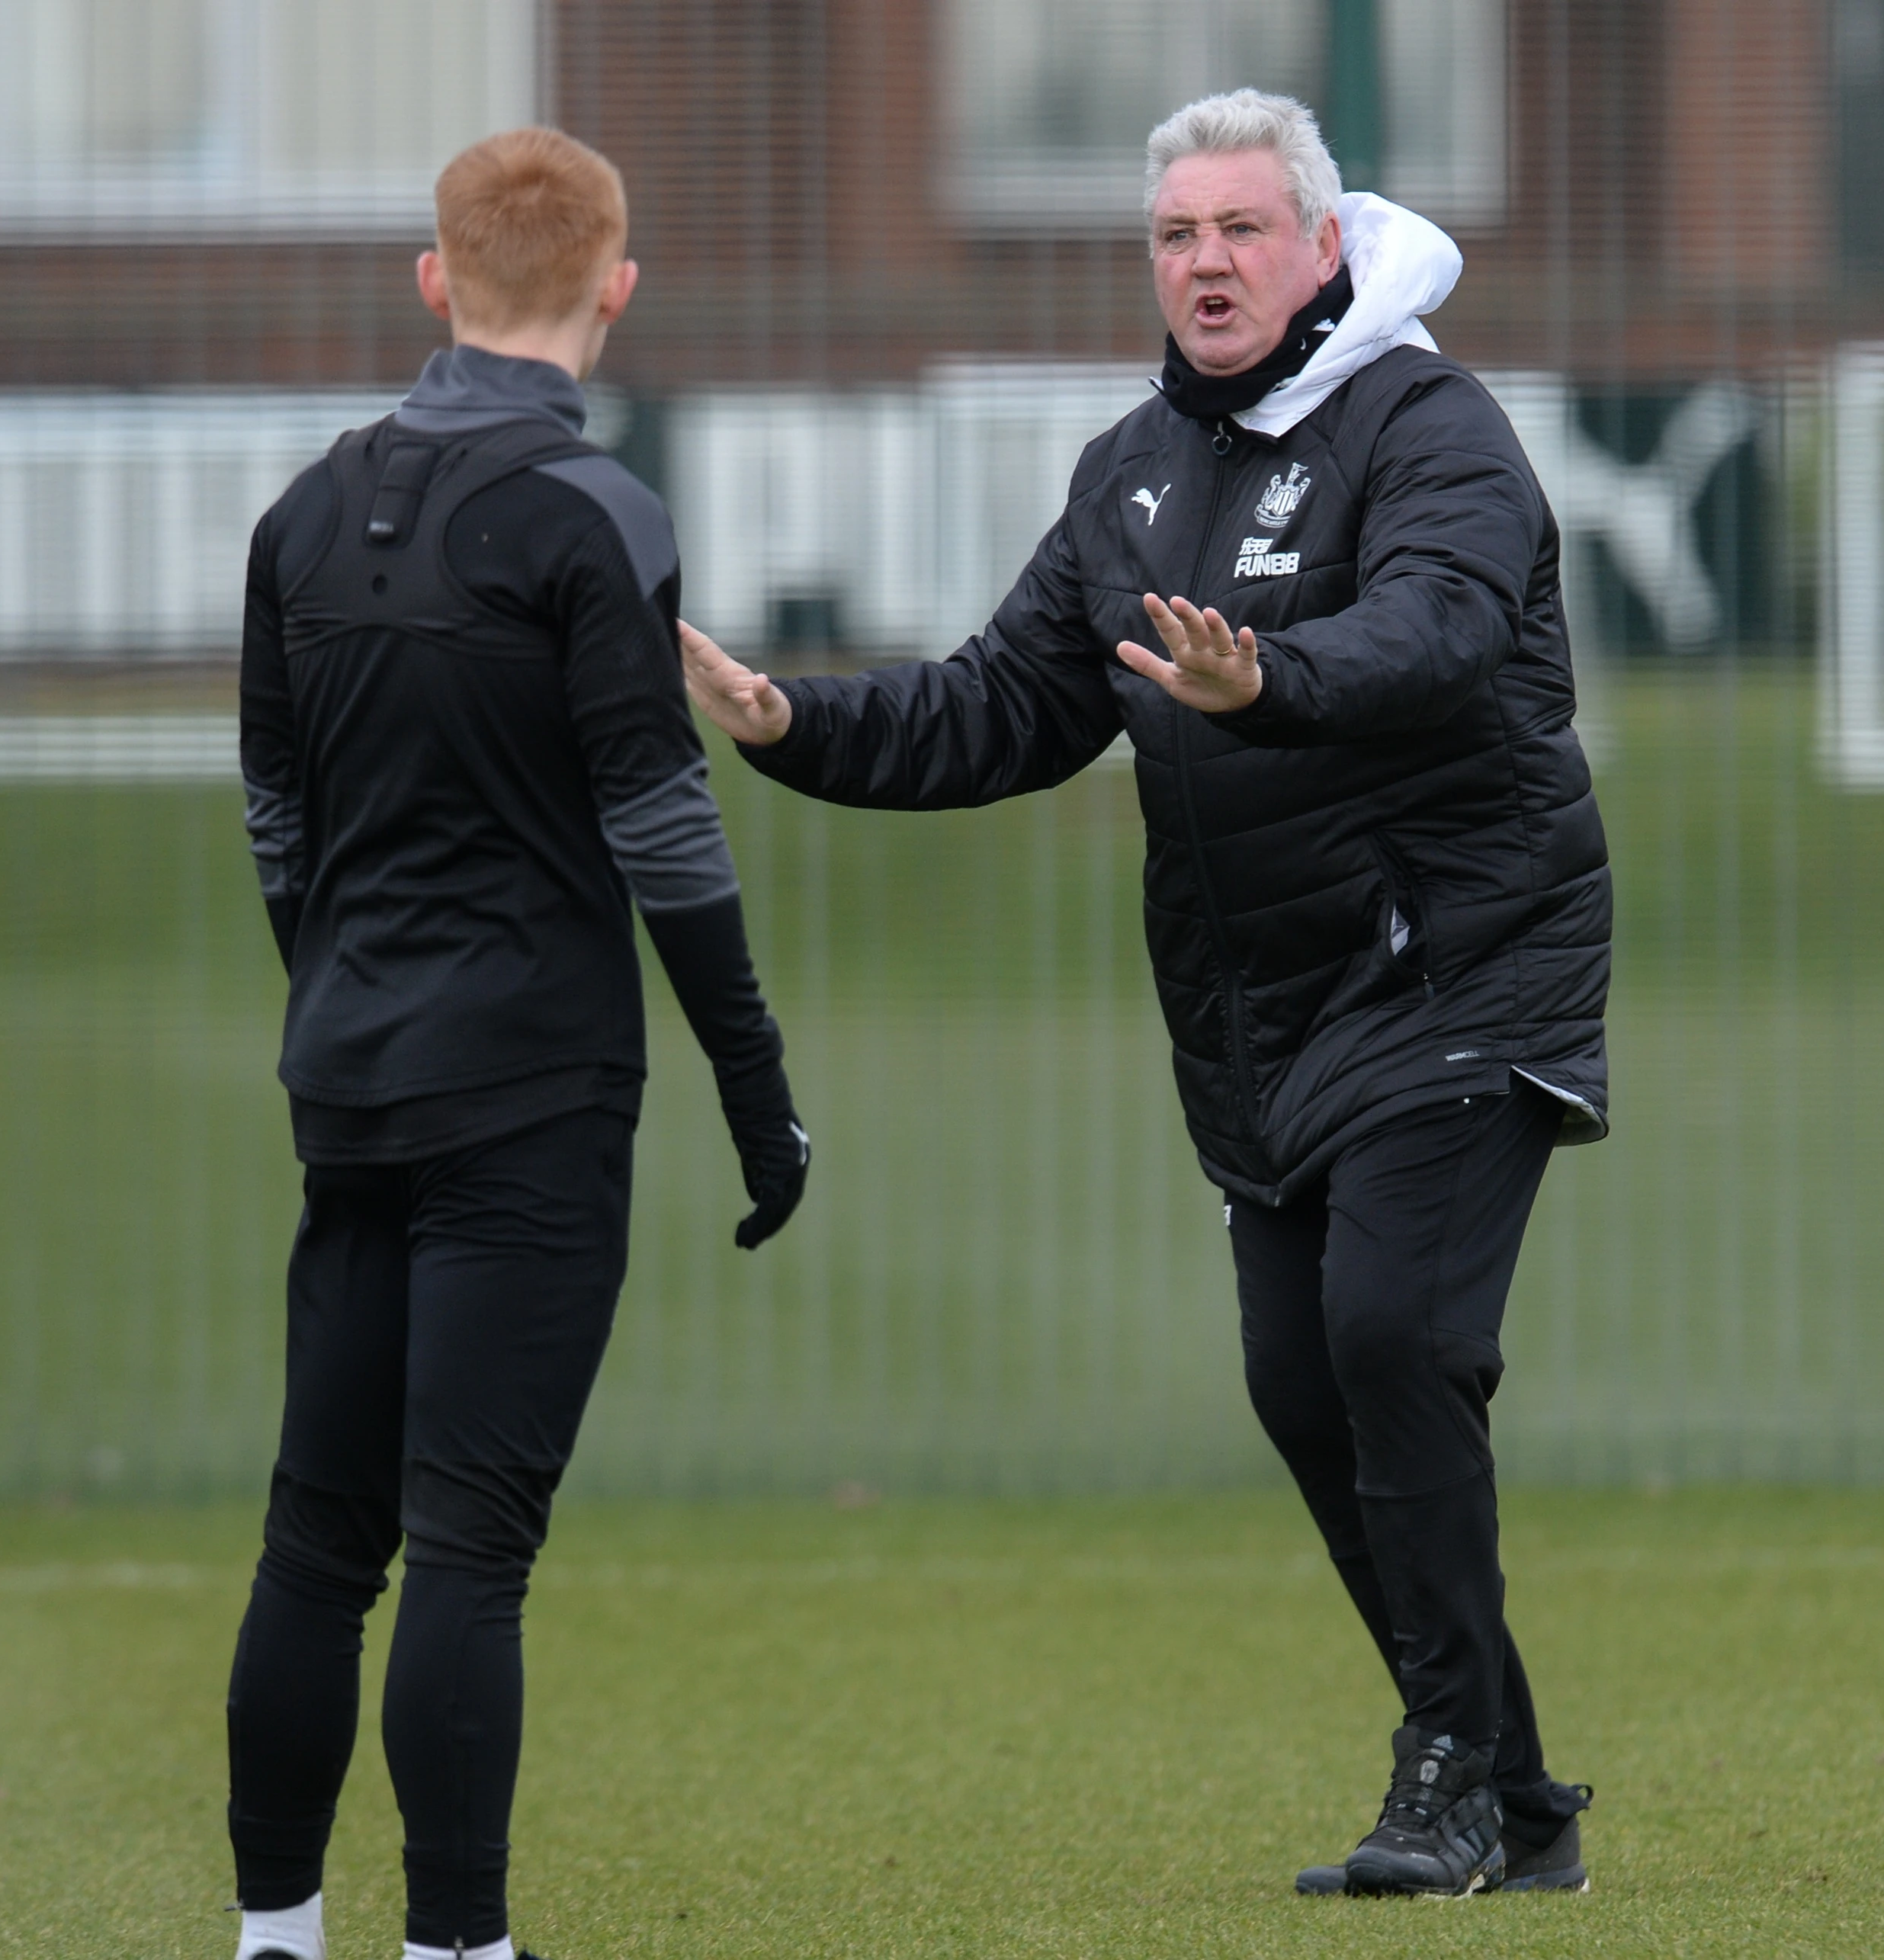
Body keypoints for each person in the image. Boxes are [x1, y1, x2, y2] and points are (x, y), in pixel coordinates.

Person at [680, 88, 1606, 1899]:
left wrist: (1268, 679)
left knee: (1389, 1335)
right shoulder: (1131, 476)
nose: (1205, 263)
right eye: (1176, 236)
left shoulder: (1431, 427)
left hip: (1463, 962)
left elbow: (1440, 630)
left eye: (1240, 230)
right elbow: (1000, 704)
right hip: (1263, 1013)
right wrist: (798, 725)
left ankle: (1445, 1777)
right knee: (1301, 1378)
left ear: (1321, 248)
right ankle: (1510, 1790)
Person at [225, 127, 809, 1960]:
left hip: (351, 1076)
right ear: (616, 287)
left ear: (432, 278)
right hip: (532, 1090)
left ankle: (273, 1939)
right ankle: (458, 1948)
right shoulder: (597, 517)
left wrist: (332, 995)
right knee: (468, 1542)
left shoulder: (302, 512)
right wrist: (750, 1079)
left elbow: (272, 818)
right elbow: (661, 828)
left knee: (319, 1541)